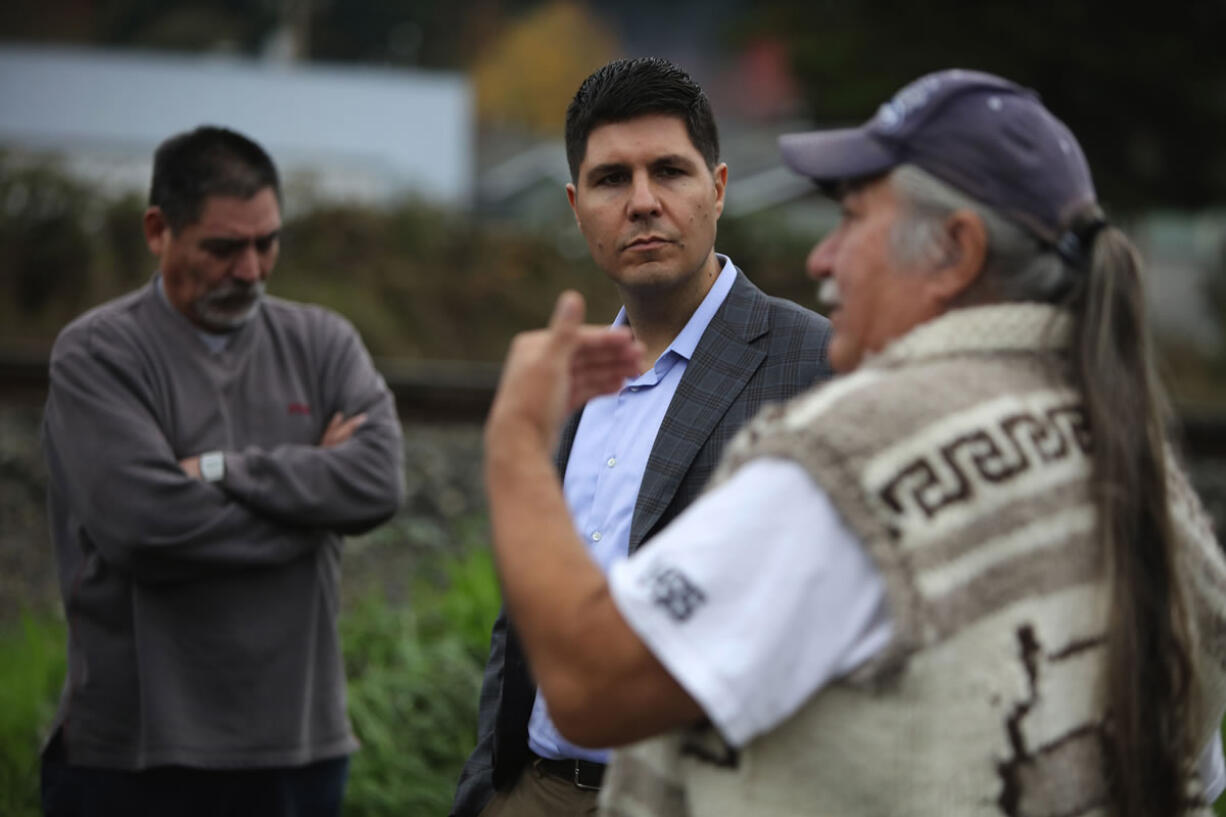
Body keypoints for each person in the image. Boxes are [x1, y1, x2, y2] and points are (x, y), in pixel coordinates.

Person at [479, 68, 1226, 816]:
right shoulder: (1135, 464)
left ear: (954, 251)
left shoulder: (848, 463)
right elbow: (1194, 772)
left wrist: (513, 441)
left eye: (855, 219)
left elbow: (590, 687)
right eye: (612, 178)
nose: (821, 258)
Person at [451, 57, 832, 817]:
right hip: (537, 787)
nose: (644, 202)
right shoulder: (570, 371)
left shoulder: (813, 360)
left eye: (670, 171)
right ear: (575, 204)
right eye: (611, 179)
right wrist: (487, 788)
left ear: (718, 187)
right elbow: (523, 617)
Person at [39, 125, 405, 817]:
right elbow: (146, 526)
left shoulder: (323, 341)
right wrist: (312, 513)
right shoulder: (98, 354)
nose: (251, 270)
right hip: (134, 757)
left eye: (267, 242)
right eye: (223, 248)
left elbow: (380, 481)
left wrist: (213, 469)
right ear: (158, 230)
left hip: (301, 749)